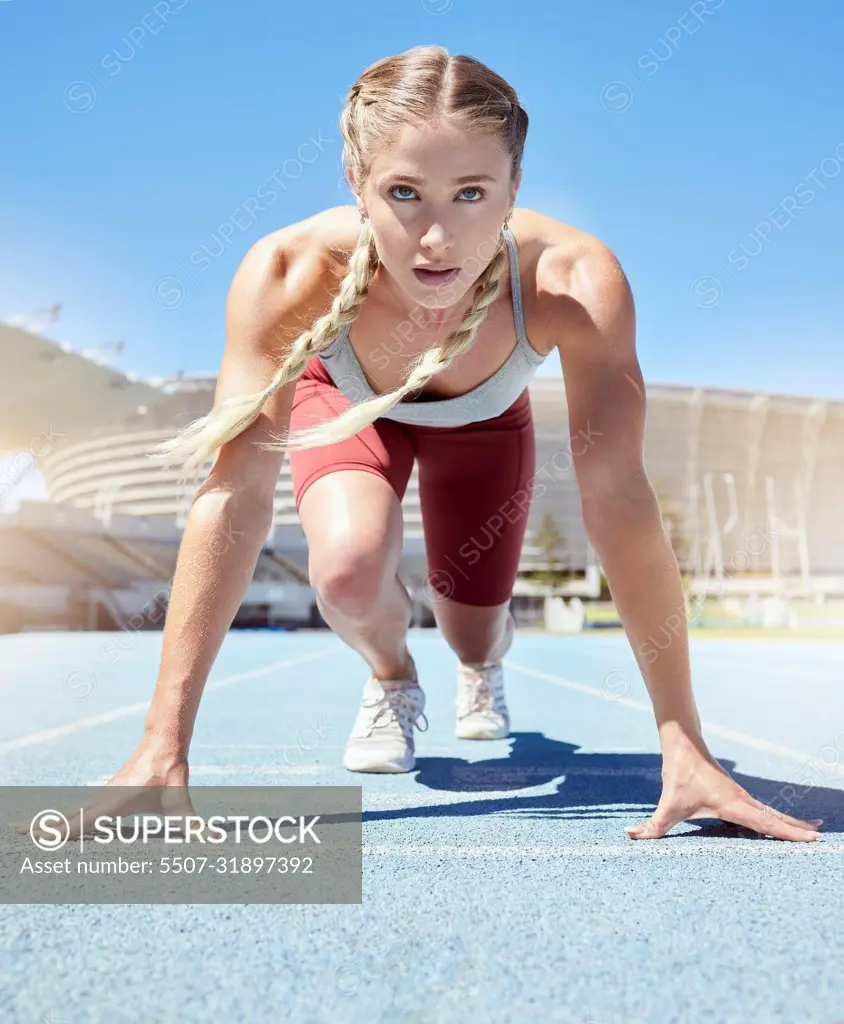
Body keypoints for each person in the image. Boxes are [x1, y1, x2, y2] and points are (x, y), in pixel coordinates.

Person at [27, 45, 821, 843]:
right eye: (403, 193)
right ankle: (392, 677)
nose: (437, 237)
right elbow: (234, 495)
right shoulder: (286, 274)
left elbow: (617, 496)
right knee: (342, 570)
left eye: (471, 193)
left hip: (485, 428)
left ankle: (480, 668)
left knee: (472, 627)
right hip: (349, 407)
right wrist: (161, 748)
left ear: (515, 188)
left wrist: (684, 745)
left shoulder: (572, 281)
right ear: (355, 185)